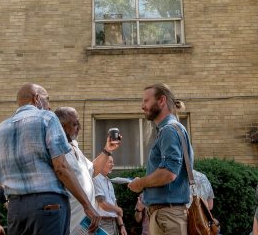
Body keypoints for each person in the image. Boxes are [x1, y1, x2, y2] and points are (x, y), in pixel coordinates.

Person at [0, 83, 100, 235]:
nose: (50, 107)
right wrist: (87, 205)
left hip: (16, 209)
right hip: (49, 206)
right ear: (37, 98)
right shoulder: (47, 118)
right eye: (48, 100)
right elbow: (61, 168)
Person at [128, 83, 194, 235]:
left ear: (162, 100)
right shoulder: (172, 128)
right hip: (168, 215)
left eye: (146, 101)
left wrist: (140, 183)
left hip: (167, 216)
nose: (142, 106)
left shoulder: (169, 130)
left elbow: (169, 173)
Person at [55, 107, 121, 235]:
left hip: (85, 223)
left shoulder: (74, 147)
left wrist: (108, 149)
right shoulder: (57, 150)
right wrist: (87, 205)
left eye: (78, 123)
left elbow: (92, 170)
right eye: (74, 124)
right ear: (62, 127)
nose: (79, 127)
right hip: (70, 223)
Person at [93, 155, 125, 235]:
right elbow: (102, 204)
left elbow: (114, 204)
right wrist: (118, 210)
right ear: (102, 163)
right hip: (102, 224)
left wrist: (121, 225)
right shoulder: (95, 179)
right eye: (110, 162)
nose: (113, 164)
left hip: (113, 223)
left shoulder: (108, 181)